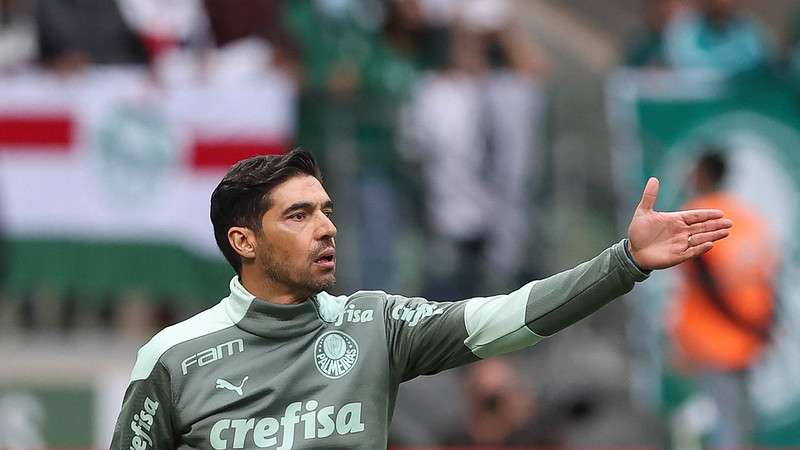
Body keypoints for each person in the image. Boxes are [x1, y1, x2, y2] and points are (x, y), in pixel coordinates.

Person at [109, 149, 732, 449]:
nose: (327, 228)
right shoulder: (171, 358)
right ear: (243, 240)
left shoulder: (375, 324)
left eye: (327, 210)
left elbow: (508, 318)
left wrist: (621, 264)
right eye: (298, 216)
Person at [669, 151, 777, 448]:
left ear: (702, 173)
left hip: (712, 339)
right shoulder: (748, 218)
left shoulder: (694, 217)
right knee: (737, 419)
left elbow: (707, 284)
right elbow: (769, 278)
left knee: (727, 424)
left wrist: (746, 324)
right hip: (747, 339)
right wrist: (761, 327)